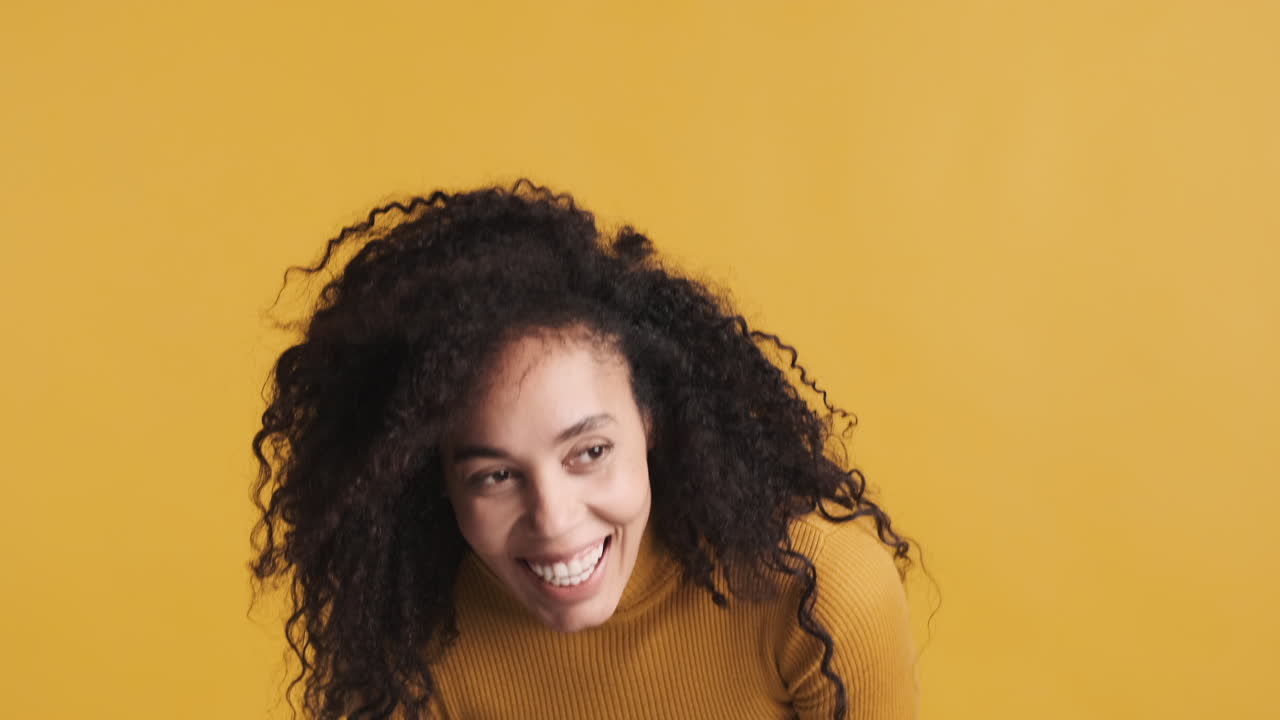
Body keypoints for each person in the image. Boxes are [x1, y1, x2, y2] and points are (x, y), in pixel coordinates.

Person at [250, 180, 919, 719]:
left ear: (650, 420)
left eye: (589, 452)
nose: (555, 519)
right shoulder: (409, 652)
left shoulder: (816, 598)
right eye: (495, 475)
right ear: (437, 480)